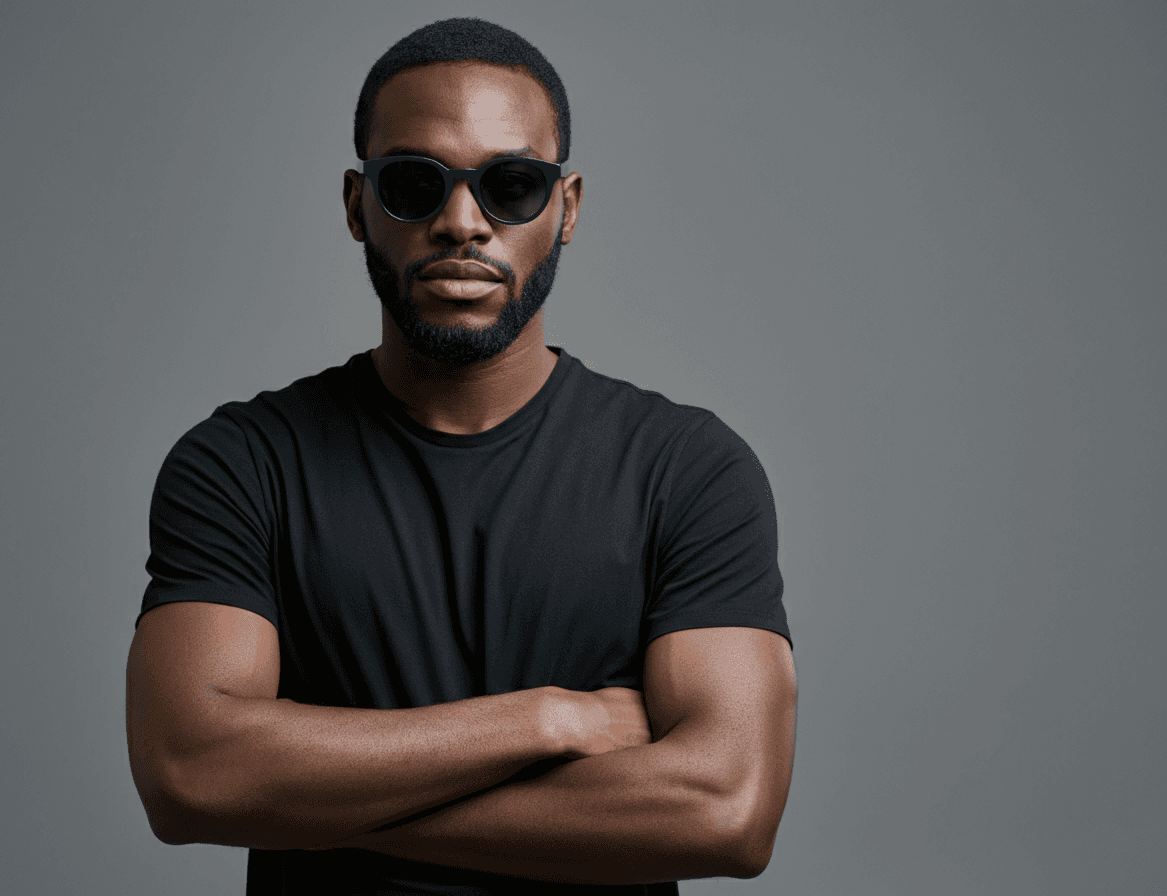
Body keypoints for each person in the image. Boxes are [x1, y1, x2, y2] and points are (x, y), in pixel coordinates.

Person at [125, 17, 797, 896]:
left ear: (568, 208)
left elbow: (726, 814)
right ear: (357, 204)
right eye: (414, 183)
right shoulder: (242, 464)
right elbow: (192, 777)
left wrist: (315, 806)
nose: (461, 223)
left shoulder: (688, 469)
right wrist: (552, 719)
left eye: (511, 185)